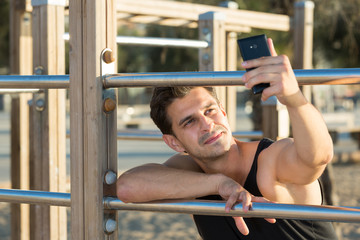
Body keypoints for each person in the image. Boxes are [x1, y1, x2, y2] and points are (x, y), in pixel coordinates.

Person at [116, 38, 337, 239]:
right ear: (174, 142)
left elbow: (317, 157)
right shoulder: (189, 171)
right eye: (189, 122)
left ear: (223, 111)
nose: (207, 125)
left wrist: (293, 98)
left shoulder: (270, 161)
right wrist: (219, 184)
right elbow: (127, 187)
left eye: (210, 111)